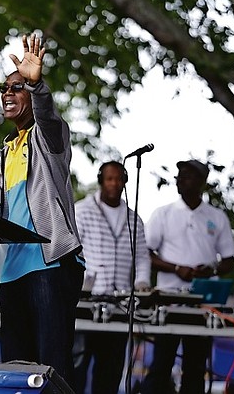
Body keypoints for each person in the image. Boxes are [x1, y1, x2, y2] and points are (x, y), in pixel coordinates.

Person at [0, 33, 85, 385]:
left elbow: (49, 118)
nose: (7, 94)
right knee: (14, 367)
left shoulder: (48, 138)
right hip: (12, 269)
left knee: (51, 364)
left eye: (16, 88)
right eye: (4, 90)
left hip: (48, 262)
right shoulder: (6, 151)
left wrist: (37, 85)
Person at [140, 159, 234, 394]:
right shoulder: (163, 214)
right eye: (179, 175)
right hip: (168, 301)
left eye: (188, 176)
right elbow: (145, 253)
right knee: (161, 365)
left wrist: (210, 269)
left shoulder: (216, 216)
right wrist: (176, 269)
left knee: (195, 367)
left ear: (202, 182)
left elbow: (228, 261)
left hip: (203, 303)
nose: (181, 180)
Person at [72, 160, 151, 394]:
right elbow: (72, 250)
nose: (114, 183)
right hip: (87, 302)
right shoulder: (82, 210)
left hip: (121, 305)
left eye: (119, 179)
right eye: (109, 178)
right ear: (100, 181)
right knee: (77, 365)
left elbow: (143, 257)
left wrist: (142, 283)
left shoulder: (134, 218)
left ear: (125, 182)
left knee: (111, 369)